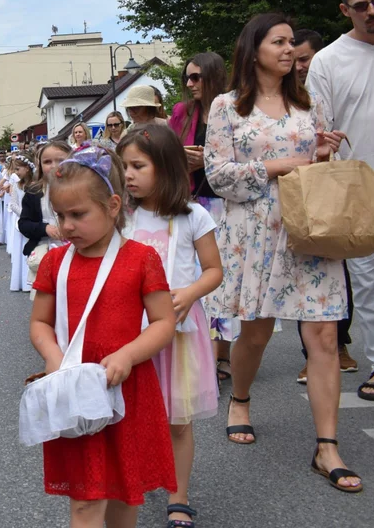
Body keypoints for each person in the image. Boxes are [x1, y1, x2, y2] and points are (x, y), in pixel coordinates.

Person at [205, 13, 360, 491]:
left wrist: (321, 154)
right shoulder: (226, 106)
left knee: (326, 338)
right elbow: (218, 175)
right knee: (255, 335)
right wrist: (284, 164)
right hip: (255, 235)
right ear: (254, 51)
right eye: (280, 42)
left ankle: (327, 446)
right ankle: (242, 399)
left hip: (309, 231)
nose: (290, 49)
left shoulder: (309, 106)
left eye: (293, 42)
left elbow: (316, 166)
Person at [28, 145, 177, 527]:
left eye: (78, 215)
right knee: (86, 502)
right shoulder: (54, 262)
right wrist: (52, 356)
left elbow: (163, 321)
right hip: (77, 392)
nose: (67, 226)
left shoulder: (141, 258)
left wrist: (128, 354)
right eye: (61, 216)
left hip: (128, 388)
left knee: (126, 497)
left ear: (113, 206)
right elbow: (40, 322)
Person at [118, 126, 223, 527]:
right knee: (128, 418)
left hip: (178, 334)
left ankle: (178, 495)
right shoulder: (121, 215)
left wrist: (191, 292)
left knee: (178, 421)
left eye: (138, 166)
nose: (128, 174)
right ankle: (130, 484)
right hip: (132, 332)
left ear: (166, 168)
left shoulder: (194, 215)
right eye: (124, 166)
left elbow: (214, 270)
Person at [307, 0, 374, 404]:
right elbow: (318, 129)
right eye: (361, 6)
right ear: (346, 10)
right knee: (367, 287)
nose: (372, 11)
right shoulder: (327, 60)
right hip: (356, 194)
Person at [291, 29, 357, 381]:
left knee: (339, 270)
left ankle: (339, 344)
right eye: (296, 59)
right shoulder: (291, 97)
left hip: (337, 187)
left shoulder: (332, 83)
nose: (300, 65)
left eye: (305, 58)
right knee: (310, 269)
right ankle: (312, 354)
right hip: (301, 193)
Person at [168, 51, 234, 381]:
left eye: (196, 77)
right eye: (187, 78)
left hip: (228, 205)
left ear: (213, 76)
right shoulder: (182, 112)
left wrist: (207, 159)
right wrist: (181, 156)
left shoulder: (235, 109)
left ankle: (223, 354)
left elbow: (245, 155)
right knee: (197, 277)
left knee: (224, 277)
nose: (190, 83)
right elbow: (165, 153)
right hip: (194, 202)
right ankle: (202, 353)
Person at [18, 141, 72, 266]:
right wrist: (44, 228)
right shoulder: (34, 192)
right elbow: (24, 224)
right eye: (47, 162)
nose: (54, 166)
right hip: (45, 250)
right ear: (40, 166)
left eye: (60, 160)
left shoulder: (82, 189)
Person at [5, 155, 34, 292]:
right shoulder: (17, 185)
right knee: (20, 252)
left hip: (34, 221)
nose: (16, 172)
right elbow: (13, 203)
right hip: (21, 221)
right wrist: (24, 215)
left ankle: (31, 281)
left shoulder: (35, 184)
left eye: (18, 169)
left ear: (27, 168)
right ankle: (20, 282)